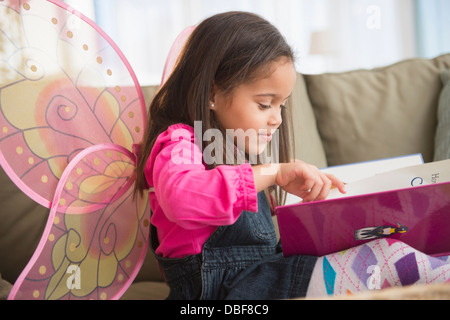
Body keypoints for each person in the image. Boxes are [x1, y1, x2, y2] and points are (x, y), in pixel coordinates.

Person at [135, 11, 450, 300]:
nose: (277, 119)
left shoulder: (236, 150)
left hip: (262, 276)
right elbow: (181, 199)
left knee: (392, 250)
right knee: (387, 260)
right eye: (264, 104)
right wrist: (271, 173)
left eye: (281, 105)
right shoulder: (179, 141)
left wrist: (320, 216)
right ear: (214, 93)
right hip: (225, 293)